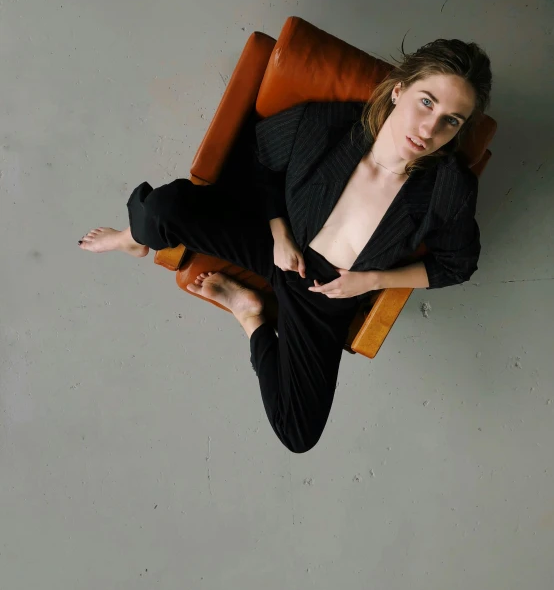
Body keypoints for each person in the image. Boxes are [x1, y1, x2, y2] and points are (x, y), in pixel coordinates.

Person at [78, 37, 492, 454]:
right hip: (275, 244)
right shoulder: (327, 126)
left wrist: (370, 281)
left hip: (327, 296)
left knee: (298, 433)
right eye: (427, 102)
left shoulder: (450, 187)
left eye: (451, 121)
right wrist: (278, 231)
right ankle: (133, 238)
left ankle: (248, 313)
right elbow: (258, 154)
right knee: (163, 209)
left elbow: (457, 265)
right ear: (399, 89)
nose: (429, 129)